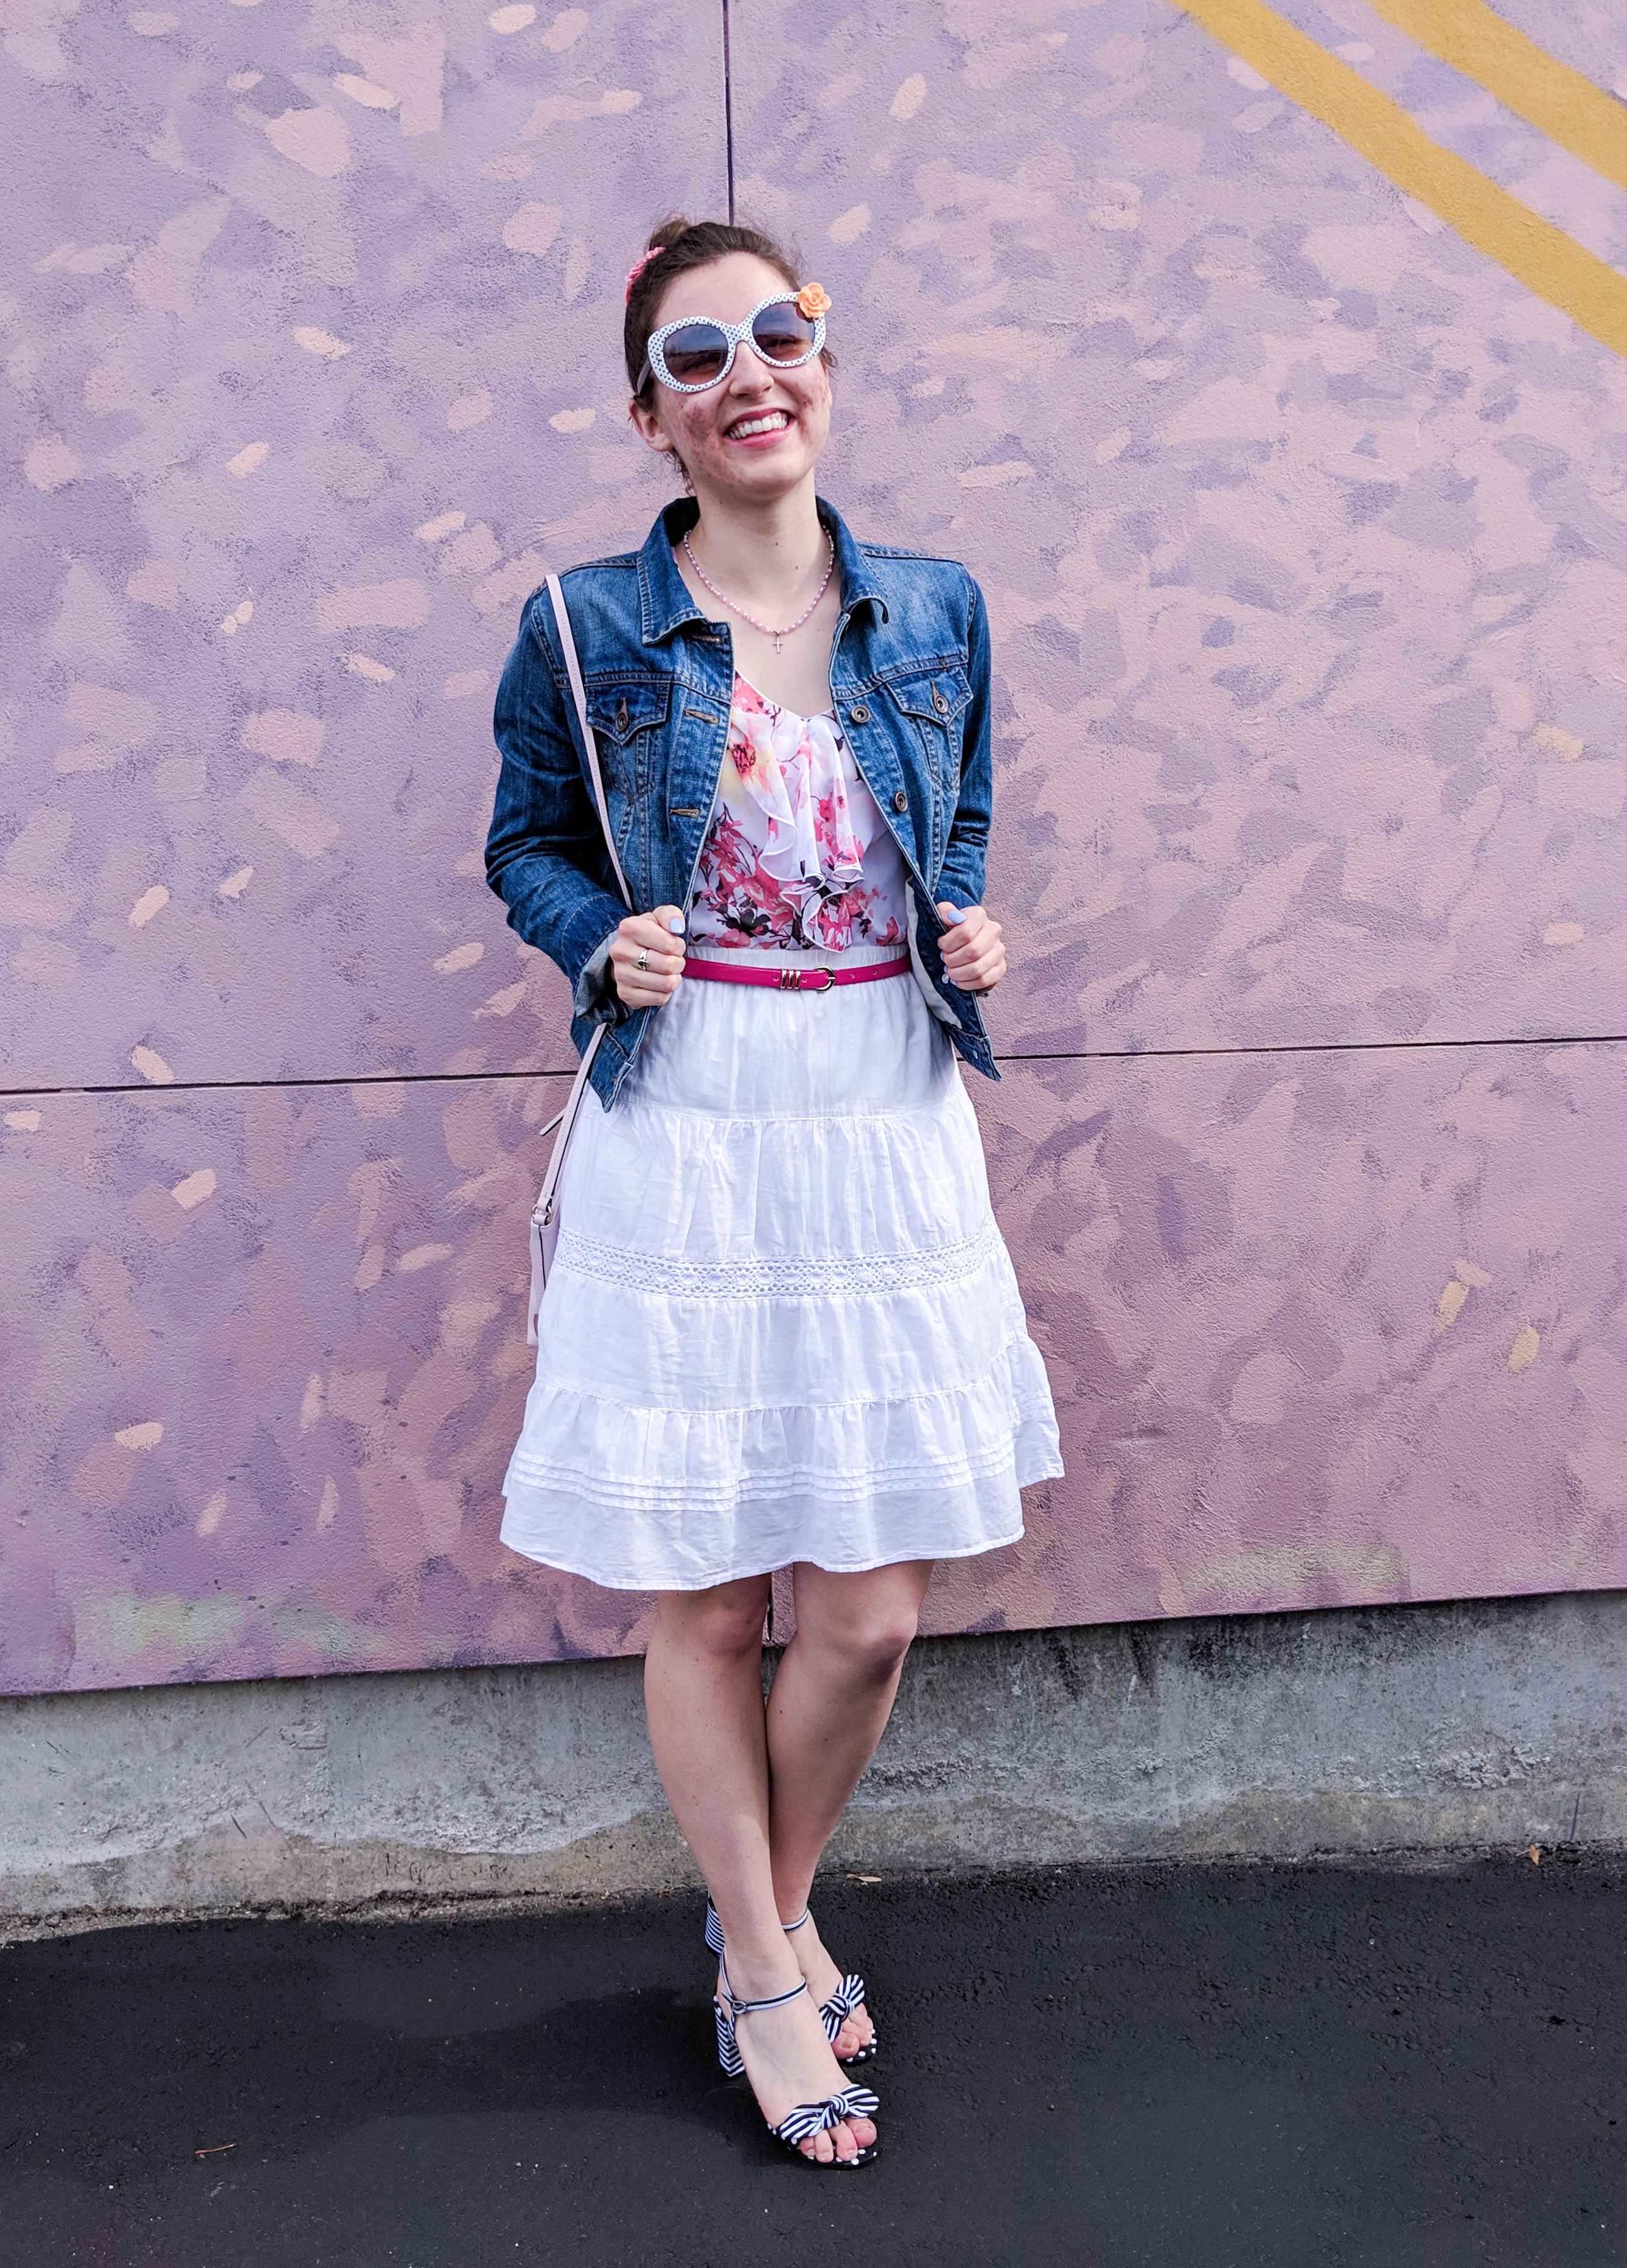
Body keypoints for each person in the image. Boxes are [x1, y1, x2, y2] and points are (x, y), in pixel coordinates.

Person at [484, 217, 1062, 2166]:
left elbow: (955, 811)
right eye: (696, 354)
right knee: (708, 1590)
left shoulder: (939, 607)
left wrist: (965, 926)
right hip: (696, 1110)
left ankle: (772, 1914)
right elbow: (530, 844)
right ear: (650, 416)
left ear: (826, 357)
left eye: (779, 333)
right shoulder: (582, 625)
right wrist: (598, 939)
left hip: (882, 1115)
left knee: (871, 1609)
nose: (749, 375)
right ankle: (758, 1972)